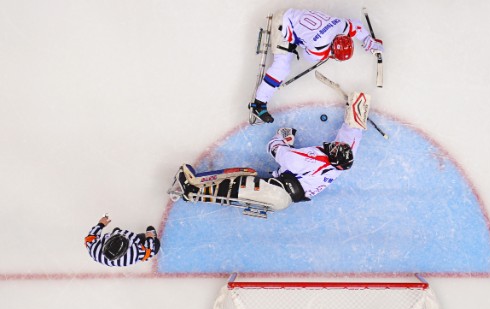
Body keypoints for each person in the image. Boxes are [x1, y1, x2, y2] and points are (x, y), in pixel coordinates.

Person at [175, 115, 364, 209]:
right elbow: (351, 139)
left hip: (276, 191)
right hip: (282, 196)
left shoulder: (312, 162)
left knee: (239, 182)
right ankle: (193, 192)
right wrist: (356, 116)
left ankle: (191, 189)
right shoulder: (339, 165)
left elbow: (274, 149)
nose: (335, 145)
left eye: (335, 148)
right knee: (236, 190)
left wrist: (281, 137)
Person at [249, 8, 384, 123]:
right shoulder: (319, 46)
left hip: (293, 15)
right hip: (283, 25)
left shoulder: (342, 25)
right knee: (282, 67)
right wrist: (327, 53)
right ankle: (258, 104)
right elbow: (308, 57)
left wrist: (368, 40)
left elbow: (357, 25)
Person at [84, 214, 160, 267]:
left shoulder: (94, 249)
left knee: (117, 232)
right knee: (154, 244)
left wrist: (100, 224)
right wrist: (150, 238)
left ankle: (116, 232)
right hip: (136, 244)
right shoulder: (135, 253)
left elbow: (91, 237)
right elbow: (149, 252)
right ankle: (116, 232)